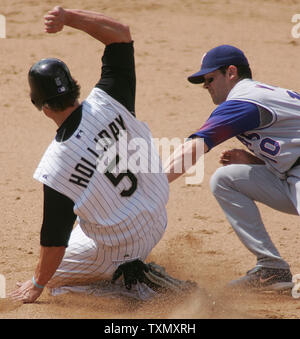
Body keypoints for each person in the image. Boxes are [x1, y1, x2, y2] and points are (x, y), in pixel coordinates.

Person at [9, 6, 182, 303]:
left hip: (122, 247)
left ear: (43, 107)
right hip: (157, 217)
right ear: (75, 88)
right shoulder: (110, 96)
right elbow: (120, 35)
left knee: (57, 282)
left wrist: (38, 282)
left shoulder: (56, 164)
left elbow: (54, 241)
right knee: (83, 227)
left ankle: (134, 286)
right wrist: (68, 17)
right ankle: (131, 270)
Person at [165, 44, 300, 291]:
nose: (205, 85)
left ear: (231, 72)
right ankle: (272, 269)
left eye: (209, 78)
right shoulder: (257, 96)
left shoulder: (243, 102)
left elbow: (194, 147)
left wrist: (153, 185)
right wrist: (256, 161)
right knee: (226, 179)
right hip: (292, 176)